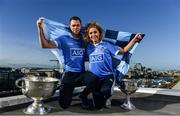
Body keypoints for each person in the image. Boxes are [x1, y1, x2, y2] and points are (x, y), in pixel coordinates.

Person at [81, 22, 142, 109]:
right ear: (88, 35)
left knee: (105, 91)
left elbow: (124, 50)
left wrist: (134, 39)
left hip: (107, 76)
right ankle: (88, 94)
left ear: (99, 33)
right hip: (94, 78)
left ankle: (106, 96)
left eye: (95, 32)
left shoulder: (106, 45)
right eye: (90, 33)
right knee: (98, 106)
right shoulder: (88, 47)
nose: (93, 34)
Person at [37, 16, 88, 109]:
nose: (76, 28)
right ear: (69, 26)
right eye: (73, 26)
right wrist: (39, 28)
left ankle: (83, 95)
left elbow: (98, 39)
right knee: (64, 105)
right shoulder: (63, 39)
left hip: (82, 73)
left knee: (96, 79)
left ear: (81, 26)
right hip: (69, 73)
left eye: (78, 25)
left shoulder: (85, 39)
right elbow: (45, 45)